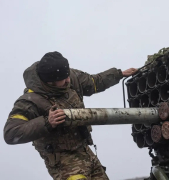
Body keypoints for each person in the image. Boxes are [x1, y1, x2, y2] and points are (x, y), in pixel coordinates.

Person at [3, 51, 138, 180]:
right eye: (63, 79)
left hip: (85, 151)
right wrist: (47, 122)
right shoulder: (29, 101)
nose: (68, 80)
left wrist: (118, 74)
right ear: (50, 82)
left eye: (68, 76)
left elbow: (93, 82)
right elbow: (11, 133)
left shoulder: (69, 77)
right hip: (63, 160)